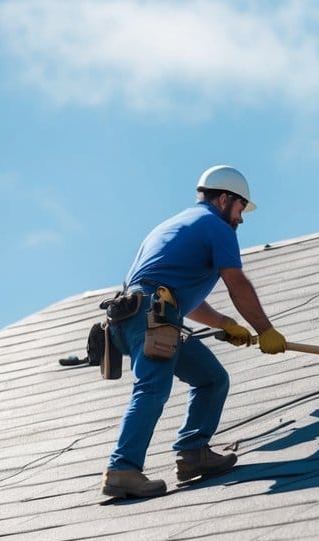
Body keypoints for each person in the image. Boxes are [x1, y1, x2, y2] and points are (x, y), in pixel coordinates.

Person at [100, 165, 287, 499]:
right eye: (241, 209)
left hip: (139, 315)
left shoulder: (179, 223)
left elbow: (179, 299)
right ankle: (122, 469)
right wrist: (265, 329)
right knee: (152, 388)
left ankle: (193, 454)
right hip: (153, 316)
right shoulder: (217, 226)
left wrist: (226, 324)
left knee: (211, 378)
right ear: (226, 199)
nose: (241, 219)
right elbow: (237, 283)